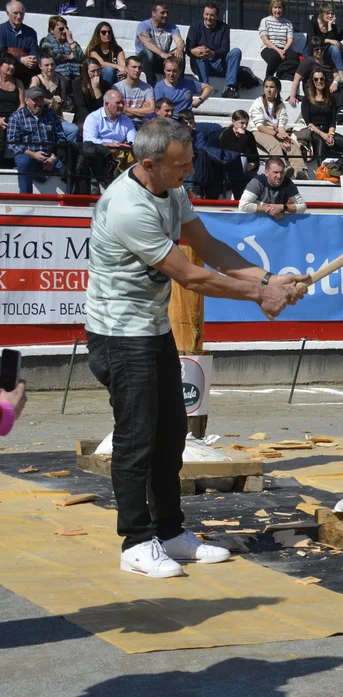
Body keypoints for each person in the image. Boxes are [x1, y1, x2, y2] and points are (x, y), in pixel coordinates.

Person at [85, 117, 308, 578]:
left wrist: (270, 279)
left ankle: (169, 532)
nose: (189, 172)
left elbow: (207, 247)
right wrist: (260, 294)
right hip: (119, 336)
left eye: (190, 162)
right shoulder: (127, 207)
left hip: (152, 330)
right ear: (150, 164)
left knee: (171, 437)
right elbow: (189, 275)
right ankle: (135, 542)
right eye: (181, 165)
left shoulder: (173, 189)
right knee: (137, 439)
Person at [7, 86, 67, 194]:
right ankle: (26, 198)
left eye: (41, 99)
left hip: (51, 156)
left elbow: (61, 138)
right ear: (26, 100)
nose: (39, 103)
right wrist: (33, 155)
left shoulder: (51, 114)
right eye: (35, 100)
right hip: (29, 157)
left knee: (73, 164)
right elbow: (12, 143)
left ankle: (73, 199)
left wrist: (53, 158)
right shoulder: (16, 117)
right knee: (23, 161)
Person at [74, 88, 135, 195]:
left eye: (122, 103)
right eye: (118, 103)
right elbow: (89, 140)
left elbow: (133, 140)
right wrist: (108, 145)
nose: (122, 106)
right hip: (100, 154)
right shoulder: (93, 118)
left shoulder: (127, 120)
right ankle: (96, 184)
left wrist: (128, 145)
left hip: (120, 154)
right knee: (89, 151)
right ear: (107, 104)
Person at [249, 76, 306, 179]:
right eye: (266, 87)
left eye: (271, 87)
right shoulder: (258, 102)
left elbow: (280, 126)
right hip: (258, 132)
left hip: (274, 131)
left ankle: (301, 171)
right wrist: (277, 134)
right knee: (274, 144)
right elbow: (260, 127)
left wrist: (284, 137)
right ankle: (281, 169)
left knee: (291, 144)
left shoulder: (280, 105)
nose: (268, 90)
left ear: (277, 89)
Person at [186, 2, 242, 99]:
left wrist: (212, 53)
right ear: (203, 14)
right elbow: (188, 49)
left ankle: (229, 88)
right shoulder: (195, 26)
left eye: (212, 15)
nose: (208, 18)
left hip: (218, 63)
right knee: (200, 55)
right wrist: (195, 51)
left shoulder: (224, 28)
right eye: (206, 14)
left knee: (236, 52)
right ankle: (205, 87)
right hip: (200, 64)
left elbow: (225, 49)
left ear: (217, 16)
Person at [301, 69, 343, 160]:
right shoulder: (306, 99)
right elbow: (308, 123)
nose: (319, 81)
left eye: (321, 78)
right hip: (314, 131)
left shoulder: (331, 98)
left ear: (325, 80)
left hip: (328, 130)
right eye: (316, 79)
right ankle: (321, 168)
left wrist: (330, 135)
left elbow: (332, 121)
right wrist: (322, 134)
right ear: (313, 81)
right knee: (321, 142)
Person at [30, 54, 78, 143]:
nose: (50, 68)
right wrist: (50, 101)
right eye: (46, 65)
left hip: (56, 118)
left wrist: (61, 102)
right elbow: (31, 97)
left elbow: (64, 104)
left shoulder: (61, 80)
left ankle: (68, 150)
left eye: (52, 64)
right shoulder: (36, 79)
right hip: (39, 118)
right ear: (40, 66)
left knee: (74, 130)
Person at [238, 156, 306, 216]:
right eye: (275, 172)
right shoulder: (257, 182)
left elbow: (303, 207)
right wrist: (269, 209)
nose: (279, 176)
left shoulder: (287, 183)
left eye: (282, 172)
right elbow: (243, 205)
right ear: (266, 173)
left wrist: (282, 207)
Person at [135, 3, 184, 86]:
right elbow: (146, 42)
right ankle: (152, 84)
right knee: (148, 52)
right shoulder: (144, 25)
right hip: (143, 61)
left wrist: (179, 49)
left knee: (179, 53)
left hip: (161, 60)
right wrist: (161, 53)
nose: (166, 15)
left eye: (167, 13)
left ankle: (180, 83)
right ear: (153, 13)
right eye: (162, 13)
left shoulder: (172, 27)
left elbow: (179, 40)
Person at [217, 109, 259, 199]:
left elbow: (255, 156)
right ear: (233, 121)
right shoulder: (227, 134)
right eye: (242, 123)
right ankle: (238, 196)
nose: (244, 126)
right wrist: (242, 137)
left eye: (246, 123)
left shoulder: (249, 135)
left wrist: (253, 164)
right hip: (228, 169)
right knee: (241, 158)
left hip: (247, 170)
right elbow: (236, 152)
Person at [258, 0, 298, 81]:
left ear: (283, 9)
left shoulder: (288, 23)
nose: (277, 10)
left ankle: (283, 75)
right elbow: (265, 39)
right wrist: (278, 50)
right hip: (269, 48)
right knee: (275, 56)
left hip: (284, 49)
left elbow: (290, 39)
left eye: (279, 7)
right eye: (275, 7)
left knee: (294, 56)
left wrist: (284, 50)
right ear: (271, 9)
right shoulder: (265, 21)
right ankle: (268, 79)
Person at [0, 2, 37, 85]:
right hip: (4, 75)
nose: (19, 16)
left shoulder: (31, 32)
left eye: (21, 13)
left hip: (24, 73)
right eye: (15, 13)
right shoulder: (1, 30)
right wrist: (20, 59)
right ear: (7, 13)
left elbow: (34, 52)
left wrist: (33, 60)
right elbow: (1, 53)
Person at [309, 3, 343, 80]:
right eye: (327, 13)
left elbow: (334, 41)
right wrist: (328, 40)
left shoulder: (333, 27)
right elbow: (313, 39)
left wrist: (329, 25)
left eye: (332, 13)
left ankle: (341, 75)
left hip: (327, 52)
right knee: (334, 48)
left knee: (334, 48)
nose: (330, 15)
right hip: (315, 50)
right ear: (322, 14)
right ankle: (340, 77)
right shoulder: (313, 23)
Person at [39, 15, 83, 80]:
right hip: (57, 75)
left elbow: (81, 58)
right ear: (51, 30)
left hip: (75, 75)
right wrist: (67, 57)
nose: (65, 31)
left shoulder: (71, 42)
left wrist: (71, 41)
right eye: (61, 29)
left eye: (66, 28)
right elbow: (49, 54)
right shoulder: (46, 41)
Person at [116, 55, 154, 127]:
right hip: (123, 124)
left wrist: (126, 109)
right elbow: (118, 110)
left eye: (139, 67)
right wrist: (142, 110)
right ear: (126, 69)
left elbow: (151, 110)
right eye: (134, 67)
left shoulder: (148, 88)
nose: (137, 70)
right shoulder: (117, 88)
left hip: (142, 124)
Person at [86, 21, 125, 86]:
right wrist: (117, 66)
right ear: (98, 34)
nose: (107, 34)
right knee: (108, 70)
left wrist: (123, 71)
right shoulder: (93, 50)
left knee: (122, 74)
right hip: (100, 77)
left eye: (109, 32)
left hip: (115, 75)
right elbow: (101, 64)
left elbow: (123, 65)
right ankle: (107, 91)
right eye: (104, 32)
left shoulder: (117, 49)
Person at [72, 58, 109, 125]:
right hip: (84, 117)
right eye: (93, 71)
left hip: (101, 117)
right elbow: (80, 106)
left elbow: (104, 106)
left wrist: (96, 89)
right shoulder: (77, 83)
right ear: (86, 72)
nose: (96, 74)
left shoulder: (105, 84)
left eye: (98, 70)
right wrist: (91, 120)